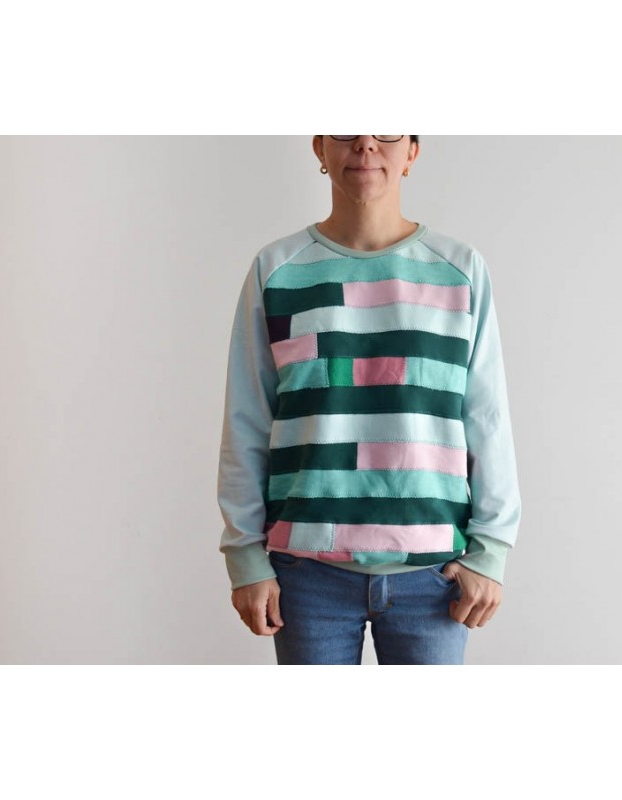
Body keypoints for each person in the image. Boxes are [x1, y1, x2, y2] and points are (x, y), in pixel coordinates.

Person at [217, 135, 521, 664]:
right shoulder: (277, 268)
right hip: (305, 575)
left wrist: (490, 552)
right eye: (347, 130)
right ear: (320, 148)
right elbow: (247, 419)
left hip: (434, 578)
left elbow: (487, 417)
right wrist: (244, 555)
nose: (365, 144)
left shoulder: (460, 270)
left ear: (412, 151)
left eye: (387, 131)